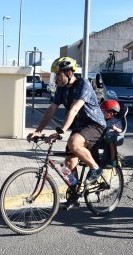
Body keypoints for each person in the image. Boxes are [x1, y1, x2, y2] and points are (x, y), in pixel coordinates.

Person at [27, 57, 106, 209]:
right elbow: (51, 110)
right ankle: (75, 193)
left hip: (94, 124)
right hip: (79, 127)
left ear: (69, 73)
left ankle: (95, 168)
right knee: (67, 165)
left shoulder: (83, 84)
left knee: (73, 142)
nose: (55, 78)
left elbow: (74, 109)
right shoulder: (61, 89)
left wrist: (61, 131)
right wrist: (38, 131)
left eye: (58, 74)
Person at [99, 100, 123, 168]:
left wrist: (115, 128)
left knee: (111, 144)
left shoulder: (116, 121)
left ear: (111, 113)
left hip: (111, 137)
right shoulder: (103, 120)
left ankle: (112, 160)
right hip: (102, 136)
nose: (102, 114)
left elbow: (120, 130)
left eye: (104, 112)